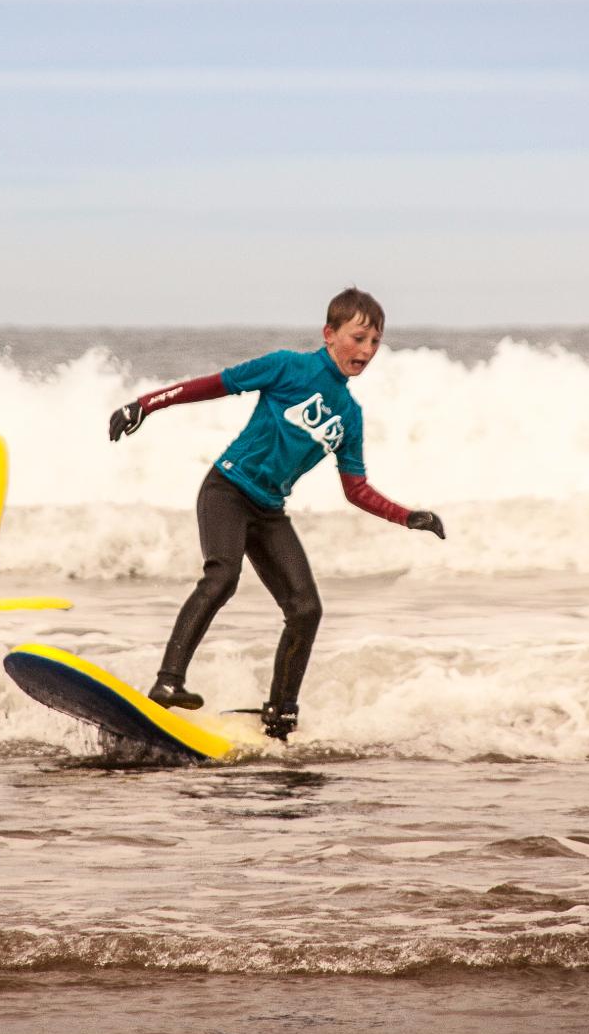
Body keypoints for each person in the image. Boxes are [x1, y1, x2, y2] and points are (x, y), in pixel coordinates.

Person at [107, 287, 445, 741]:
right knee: (222, 577)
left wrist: (407, 516)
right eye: (358, 337)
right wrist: (143, 404)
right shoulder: (288, 366)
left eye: (374, 343)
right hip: (226, 491)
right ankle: (169, 681)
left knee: (306, 609)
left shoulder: (350, 414)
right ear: (329, 334)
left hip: (268, 512)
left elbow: (355, 488)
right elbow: (214, 384)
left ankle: (281, 714)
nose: (365, 351)